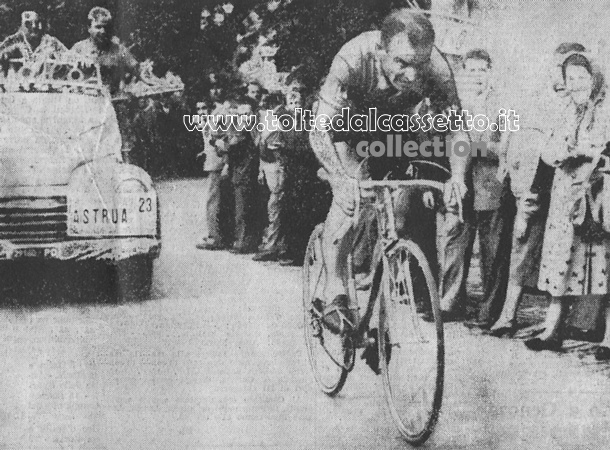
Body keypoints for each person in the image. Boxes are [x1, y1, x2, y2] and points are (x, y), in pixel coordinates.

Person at [309, 9, 465, 336]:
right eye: (402, 63)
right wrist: (340, 179)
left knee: (403, 198)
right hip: (347, 127)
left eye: (419, 65)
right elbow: (318, 130)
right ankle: (334, 289)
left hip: (395, 126)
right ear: (381, 51)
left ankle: (382, 296)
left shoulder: (436, 67)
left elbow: (457, 132)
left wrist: (458, 175)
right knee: (354, 198)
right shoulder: (352, 59)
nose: (412, 75)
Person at [523, 52, 610, 360]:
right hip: (565, 198)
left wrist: (589, 153)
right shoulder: (565, 111)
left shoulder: (606, 108)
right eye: (570, 78)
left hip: (597, 195)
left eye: (581, 78)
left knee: (603, 264)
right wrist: (561, 151)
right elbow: (547, 151)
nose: (575, 85)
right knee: (561, 262)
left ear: (594, 77)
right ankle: (552, 328)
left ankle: (607, 336)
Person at [439, 49, 514, 328]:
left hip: (491, 185)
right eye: (471, 70)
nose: (476, 76)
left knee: (493, 251)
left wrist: (476, 147)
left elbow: (504, 149)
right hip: (461, 182)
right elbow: (447, 141)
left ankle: (490, 310)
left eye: (482, 70)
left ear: (490, 72)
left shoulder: (503, 105)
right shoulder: (455, 104)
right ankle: (450, 301)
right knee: (455, 240)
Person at [71, 7, 146, 163]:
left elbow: (139, 71)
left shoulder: (118, 50)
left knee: (120, 144)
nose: (103, 31)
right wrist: (75, 63)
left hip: (112, 106)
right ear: (88, 28)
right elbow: (60, 72)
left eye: (107, 27)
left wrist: (141, 84)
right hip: (84, 109)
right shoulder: (78, 49)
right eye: (98, 27)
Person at [0, 11, 67, 62]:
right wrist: (8, 52)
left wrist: (57, 56)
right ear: (20, 26)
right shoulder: (12, 41)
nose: (34, 26)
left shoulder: (51, 42)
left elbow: (70, 58)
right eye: (28, 23)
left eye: (38, 22)